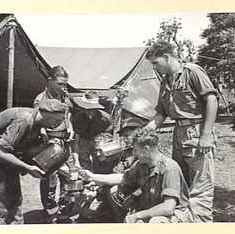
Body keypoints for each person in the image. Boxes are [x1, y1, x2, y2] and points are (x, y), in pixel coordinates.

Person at [145, 40, 218, 222]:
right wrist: (145, 131)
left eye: (156, 62)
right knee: (181, 183)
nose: (154, 67)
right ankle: (185, 225)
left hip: (197, 131)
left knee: (200, 188)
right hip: (179, 133)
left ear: (167, 57)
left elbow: (211, 100)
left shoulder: (192, 72)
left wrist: (206, 134)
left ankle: (202, 228)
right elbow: (161, 113)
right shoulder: (165, 82)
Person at [0, 99, 67, 225]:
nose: (56, 125)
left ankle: (15, 232)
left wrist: (44, 148)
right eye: (56, 120)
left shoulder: (39, 124)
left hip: (7, 151)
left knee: (13, 197)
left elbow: (22, 150)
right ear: (47, 114)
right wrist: (27, 167)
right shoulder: (23, 121)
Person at [79, 128, 194, 223]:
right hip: (153, 210)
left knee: (156, 222)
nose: (134, 153)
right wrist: (92, 176)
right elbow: (121, 178)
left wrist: (138, 215)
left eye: (136, 150)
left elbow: (168, 208)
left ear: (146, 150)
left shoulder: (169, 168)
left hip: (175, 215)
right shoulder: (141, 165)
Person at [33, 66, 74, 218]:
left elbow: (67, 115)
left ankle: (64, 208)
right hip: (48, 143)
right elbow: (35, 121)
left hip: (65, 142)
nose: (63, 87)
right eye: (60, 84)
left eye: (65, 84)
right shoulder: (41, 99)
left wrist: (71, 127)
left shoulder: (64, 96)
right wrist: (44, 133)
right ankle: (49, 209)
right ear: (50, 80)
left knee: (68, 176)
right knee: (50, 178)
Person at [71, 91, 112, 173]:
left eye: (92, 109)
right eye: (87, 109)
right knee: (84, 165)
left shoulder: (105, 117)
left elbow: (110, 131)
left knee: (100, 164)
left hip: (99, 141)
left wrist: (103, 141)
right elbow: (75, 141)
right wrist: (76, 161)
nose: (89, 112)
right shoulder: (78, 118)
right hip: (83, 141)